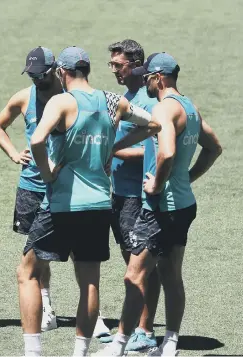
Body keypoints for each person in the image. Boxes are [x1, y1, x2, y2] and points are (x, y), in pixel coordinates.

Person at [19, 46, 160, 356]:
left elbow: (38, 139)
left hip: (62, 205)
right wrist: (113, 146)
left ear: (61, 72)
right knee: (89, 283)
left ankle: (33, 352)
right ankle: (80, 352)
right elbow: (152, 125)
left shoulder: (61, 101)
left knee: (27, 272)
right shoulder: (112, 101)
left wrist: (47, 173)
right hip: (98, 204)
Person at [100, 53, 222, 357]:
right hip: (183, 205)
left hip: (160, 208)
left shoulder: (165, 107)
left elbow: (165, 152)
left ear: (160, 78)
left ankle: (119, 345)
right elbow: (213, 147)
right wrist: (116, 147)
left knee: (134, 275)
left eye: (147, 77)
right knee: (171, 275)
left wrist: (157, 184)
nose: (143, 82)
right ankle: (169, 345)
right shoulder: (188, 107)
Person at [0, 46, 61, 332]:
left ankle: (46, 307)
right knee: (37, 250)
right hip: (31, 186)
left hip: (60, 186)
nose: (35, 80)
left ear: (55, 69)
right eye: (31, 75)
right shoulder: (24, 97)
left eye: (40, 75)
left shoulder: (69, 97)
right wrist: (12, 154)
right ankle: (45, 306)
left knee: (40, 251)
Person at [100, 39, 161, 351]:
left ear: (136, 65)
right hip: (120, 193)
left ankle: (145, 330)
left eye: (118, 65)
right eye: (112, 65)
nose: (114, 70)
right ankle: (137, 325)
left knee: (141, 266)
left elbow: (156, 149)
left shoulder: (150, 103)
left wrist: (117, 151)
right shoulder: (127, 97)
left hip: (137, 196)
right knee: (132, 263)